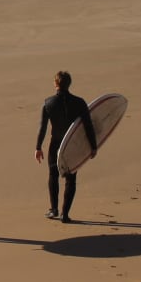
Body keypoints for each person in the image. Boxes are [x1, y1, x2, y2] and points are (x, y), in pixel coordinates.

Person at [35, 71, 97, 223]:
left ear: (55, 84)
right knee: (71, 179)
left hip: (55, 144)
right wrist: (93, 146)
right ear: (69, 84)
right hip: (71, 145)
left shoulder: (48, 103)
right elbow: (88, 126)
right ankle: (65, 214)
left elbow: (42, 128)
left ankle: (53, 209)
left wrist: (38, 147)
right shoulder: (80, 103)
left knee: (53, 175)